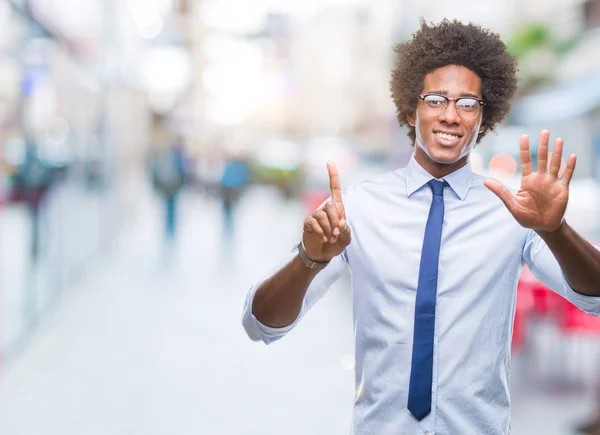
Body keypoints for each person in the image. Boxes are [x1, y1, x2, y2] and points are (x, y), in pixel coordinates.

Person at [241, 19, 600, 434]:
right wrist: (308, 260)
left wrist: (555, 231)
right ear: (412, 107)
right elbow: (259, 324)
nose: (450, 115)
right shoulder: (356, 208)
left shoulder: (514, 213)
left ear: (484, 118)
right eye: (436, 99)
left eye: (467, 104)